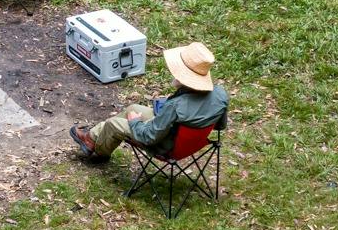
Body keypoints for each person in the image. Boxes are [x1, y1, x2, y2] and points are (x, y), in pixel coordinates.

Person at [70, 42, 225, 161]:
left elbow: (148, 137)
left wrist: (135, 122)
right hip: (190, 143)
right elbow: (220, 125)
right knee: (132, 108)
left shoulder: (176, 106)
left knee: (114, 124)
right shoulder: (220, 94)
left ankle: (100, 151)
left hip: (168, 147)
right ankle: (91, 139)